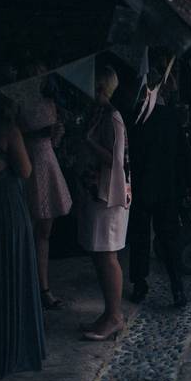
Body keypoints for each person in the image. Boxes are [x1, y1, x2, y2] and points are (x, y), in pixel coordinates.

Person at [0, 93, 45, 376]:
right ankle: (15, 346)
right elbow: (25, 169)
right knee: (14, 269)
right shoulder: (7, 131)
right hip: (7, 206)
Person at [127, 68, 191, 307]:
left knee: (140, 237)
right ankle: (177, 286)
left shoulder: (132, 117)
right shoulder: (170, 117)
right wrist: (188, 183)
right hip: (167, 187)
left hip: (142, 185)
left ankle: (140, 284)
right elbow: (183, 153)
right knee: (169, 238)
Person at [78, 65, 130, 342]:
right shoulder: (98, 113)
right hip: (96, 191)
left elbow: (115, 159)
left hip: (108, 194)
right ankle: (109, 312)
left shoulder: (112, 116)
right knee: (99, 254)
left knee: (108, 255)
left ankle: (114, 316)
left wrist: (87, 142)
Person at [18, 64, 72, 311]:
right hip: (28, 159)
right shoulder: (19, 101)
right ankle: (29, 287)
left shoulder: (49, 98)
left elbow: (58, 132)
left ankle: (43, 286)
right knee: (27, 228)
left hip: (46, 158)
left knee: (44, 230)